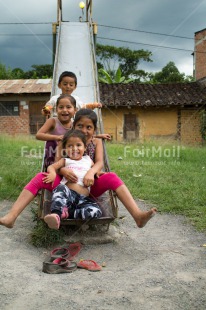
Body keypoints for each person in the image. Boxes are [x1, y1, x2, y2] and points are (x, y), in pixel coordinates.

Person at [0, 109, 157, 229]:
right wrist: (63, 171)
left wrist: (91, 172)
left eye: (89, 127)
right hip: (66, 183)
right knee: (41, 176)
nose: (84, 130)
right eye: (80, 126)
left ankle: (137, 216)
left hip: (88, 185)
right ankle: (12, 216)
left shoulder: (96, 142)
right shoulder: (65, 141)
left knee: (112, 177)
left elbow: (99, 162)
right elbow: (57, 163)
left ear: (94, 130)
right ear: (73, 126)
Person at [43, 129, 102, 230]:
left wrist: (97, 173)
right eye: (70, 146)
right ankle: (56, 214)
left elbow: (96, 169)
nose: (74, 148)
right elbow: (51, 167)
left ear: (85, 147)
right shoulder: (65, 160)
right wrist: (52, 173)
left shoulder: (88, 160)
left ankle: (67, 213)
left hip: (83, 199)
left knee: (96, 211)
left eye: (78, 145)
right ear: (65, 149)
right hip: (68, 196)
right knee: (60, 188)